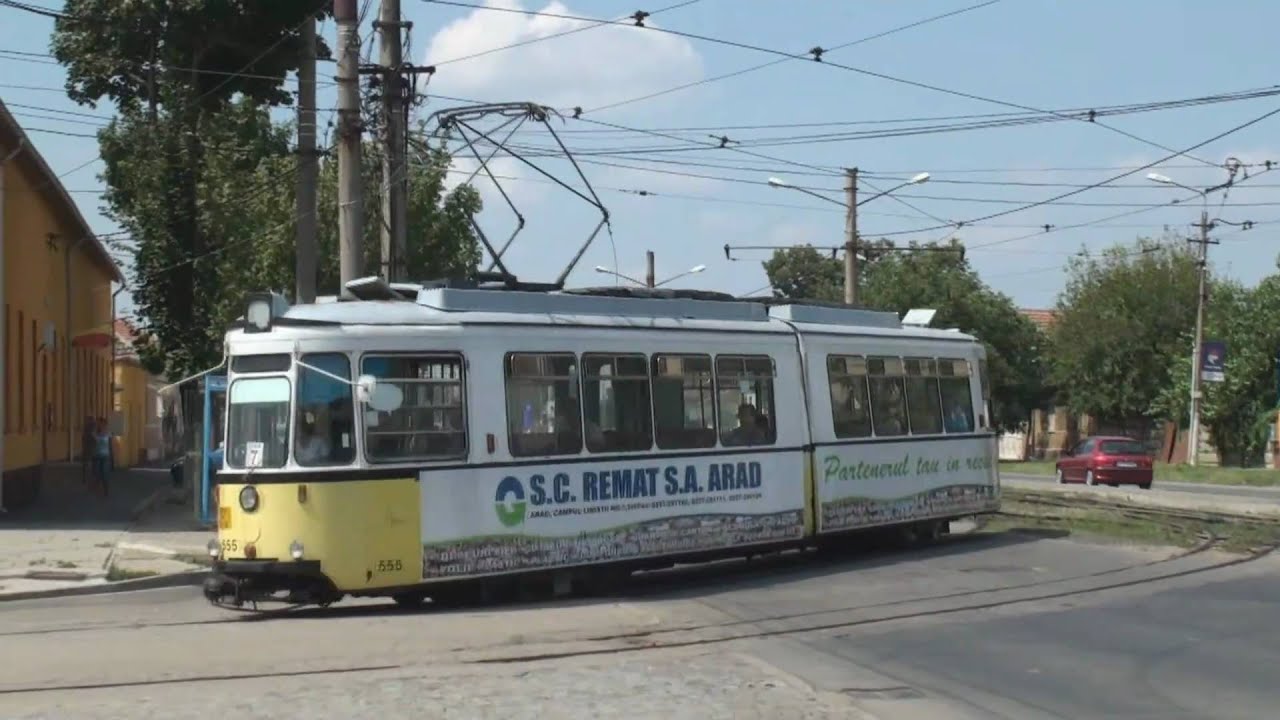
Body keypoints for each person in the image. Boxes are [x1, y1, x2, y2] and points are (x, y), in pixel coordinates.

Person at [91, 417, 112, 497]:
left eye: (102, 423)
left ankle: (106, 491)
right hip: (97, 456)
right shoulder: (95, 433)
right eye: (99, 424)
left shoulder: (108, 433)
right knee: (97, 473)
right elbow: (93, 443)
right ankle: (97, 487)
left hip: (105, 456)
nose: (101, 425)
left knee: (104, 473)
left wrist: (111, 456)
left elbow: (110, 445)